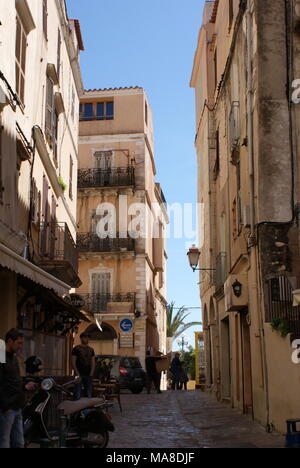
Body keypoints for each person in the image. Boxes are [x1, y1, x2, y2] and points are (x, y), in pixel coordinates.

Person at [0, 329, 36, 449]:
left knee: (19, 442)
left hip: (17, 406)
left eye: (21, 343)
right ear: (10, 341)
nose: (20, 346)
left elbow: (12, 380)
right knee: (4, 441)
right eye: (18, 343)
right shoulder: (1, 357)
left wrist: (24, 386)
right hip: (7, 408)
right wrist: (5, 406)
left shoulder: (13, 357)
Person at [72, 332, 96, 400]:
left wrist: (91, 373)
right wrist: (77, 374)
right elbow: (73, 362)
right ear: (81, 338)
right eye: (85, 338)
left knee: (88, 393)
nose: (87, 339)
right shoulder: (76, 349)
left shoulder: (91, 350)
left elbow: (93, 362)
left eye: (88, 338)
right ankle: (77, 408)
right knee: (77, 393)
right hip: (78, 373)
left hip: (88, 374)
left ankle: (87, 409)